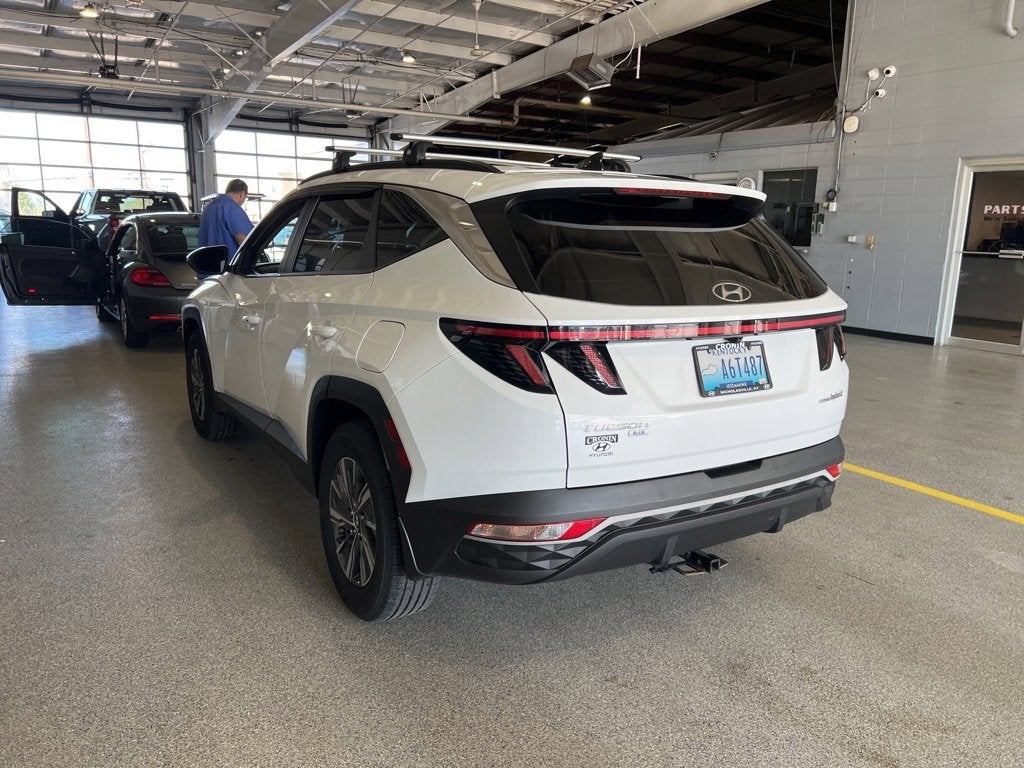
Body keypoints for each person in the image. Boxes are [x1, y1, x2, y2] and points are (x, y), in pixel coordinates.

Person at [198, 178, 253, 255]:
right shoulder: (233, 208)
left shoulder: (208, 208)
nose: (243, 201)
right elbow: (244, 241)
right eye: (245, 198)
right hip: (227, 263)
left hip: (206, 262)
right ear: (242, 194)